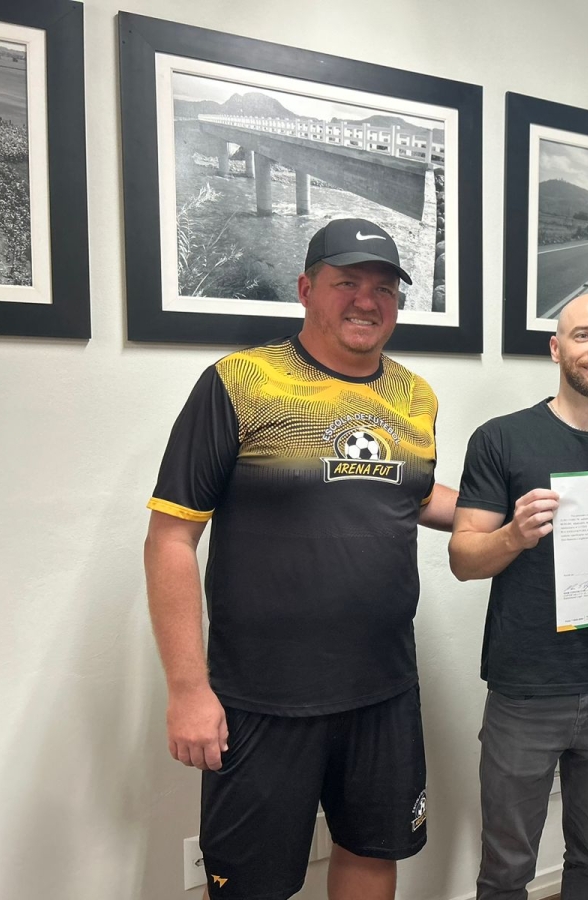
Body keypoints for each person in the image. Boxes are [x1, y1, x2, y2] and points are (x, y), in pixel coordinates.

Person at [143, 218, 457, 900]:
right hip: (262, 698)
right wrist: (188, 690)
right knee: (251, 884)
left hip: (385, 688)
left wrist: (521, 512)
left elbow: (413, 493)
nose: (367, 301)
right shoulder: (240, 382)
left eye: (384, 288)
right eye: (347, 283)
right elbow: (170, 538)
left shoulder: (415, 396)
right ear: (306, 289)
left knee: (372, 852)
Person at [449, 293, 588, 900]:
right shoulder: (501, 439)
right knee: (506, 869)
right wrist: (513, 535)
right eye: (582, 335)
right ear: (556, 348)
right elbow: (463, 559)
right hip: (525, 691)